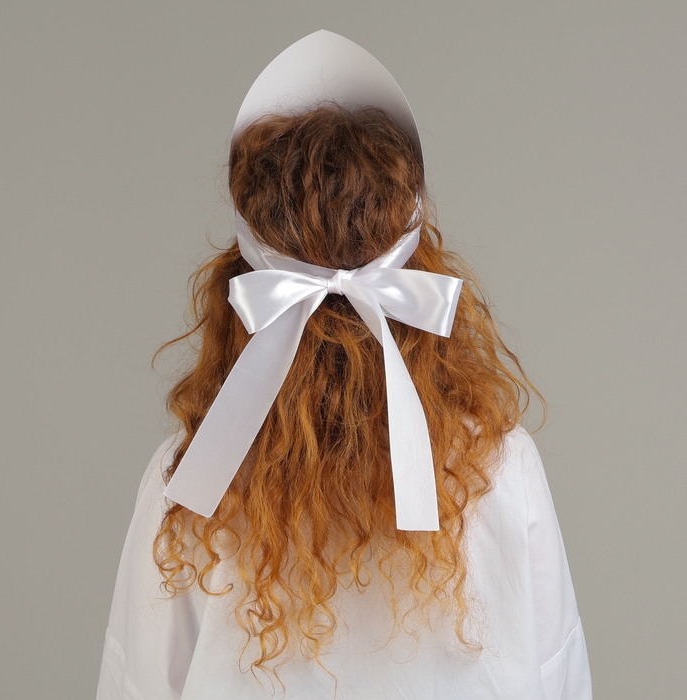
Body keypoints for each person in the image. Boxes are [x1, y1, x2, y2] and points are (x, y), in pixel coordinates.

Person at [96, 32, 592, 700]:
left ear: (240, 278)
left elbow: (137, 685)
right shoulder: (498, 471)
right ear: (419, 260)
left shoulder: (192, 481)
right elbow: (559, 675)